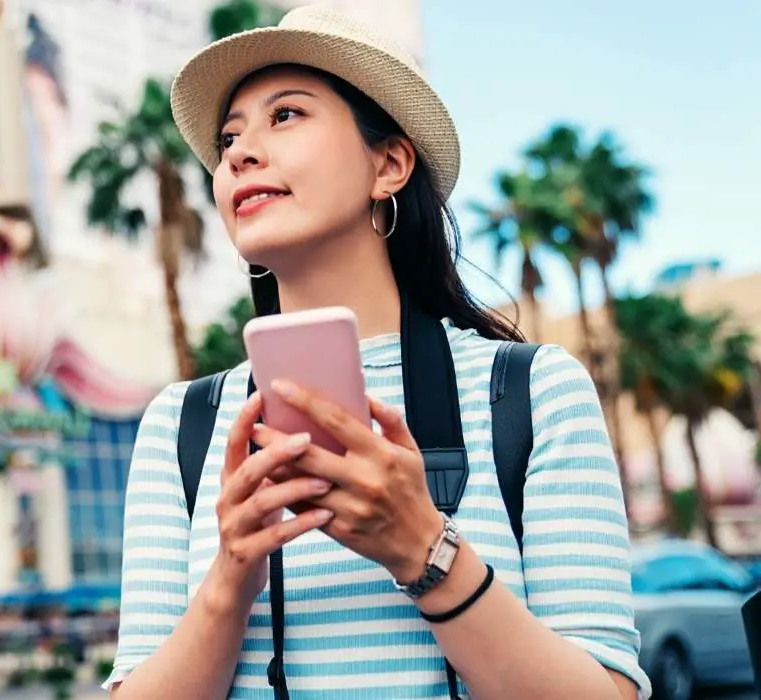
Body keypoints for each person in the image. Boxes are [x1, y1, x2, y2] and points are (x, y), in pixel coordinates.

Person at [105, 6, 648, 700]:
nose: (237, 154)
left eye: (286, 115)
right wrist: (230, 577)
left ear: (388, 164)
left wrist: (422, 547)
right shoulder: (183, 424)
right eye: (228, 137)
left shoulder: (531, 393)